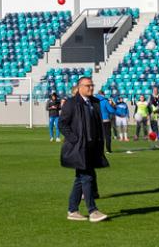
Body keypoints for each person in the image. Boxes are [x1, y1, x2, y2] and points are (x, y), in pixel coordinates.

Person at [59, 76, 109, 222]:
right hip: (79, 147)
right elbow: (62, 124)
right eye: (88, 86)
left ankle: (72, 210)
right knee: (87, 177)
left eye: (92, 85)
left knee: (80, 179)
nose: (91, 88)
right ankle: (92, 211)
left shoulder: (95, 102)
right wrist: (75, 139)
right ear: (80, 87)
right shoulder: (71, 103)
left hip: (93, 146)